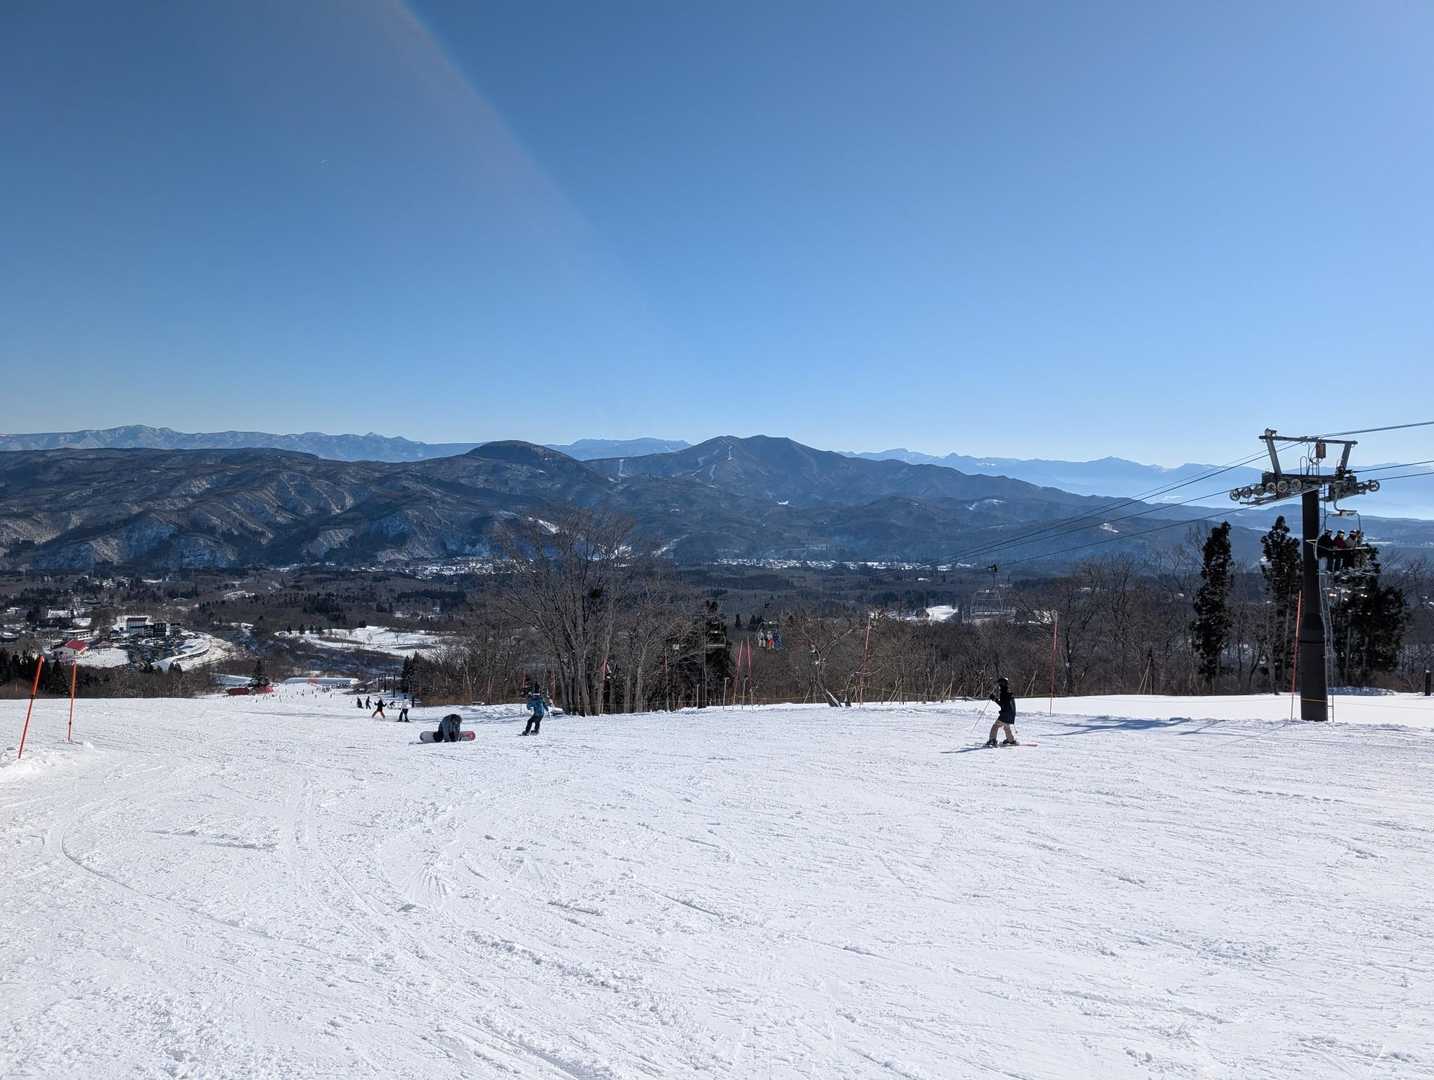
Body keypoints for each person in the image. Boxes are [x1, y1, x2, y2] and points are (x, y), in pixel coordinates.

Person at [986, 676, 1018, 747]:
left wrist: (994, 699)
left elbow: (1002, 705)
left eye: (999, 684)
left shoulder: (1003, 693)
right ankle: (1011, 740)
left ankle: (992, 740)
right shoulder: (1009, 691)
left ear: (1001, 684)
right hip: (1011, 714)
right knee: (1006, 726)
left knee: (995, 726)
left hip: (1005, 714)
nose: (998, 686)